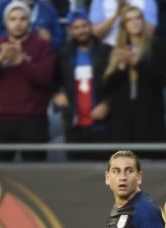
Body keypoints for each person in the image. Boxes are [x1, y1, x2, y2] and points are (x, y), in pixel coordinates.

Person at [0, 1, 54, 162]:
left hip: (33, 119)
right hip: (0, 119)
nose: (17, 23)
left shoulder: (42, 46)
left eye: (22, 19)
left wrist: (21, 61)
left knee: (36, 173)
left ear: (29, 21)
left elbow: (45, 79)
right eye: (13, 19)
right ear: (5, 21)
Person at [101, 5, 166, 158]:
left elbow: (160, 80)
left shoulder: (156, 45)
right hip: (123, 118)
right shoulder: (115, 50)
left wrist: (137, 63)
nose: (135, 23)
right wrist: (122, 66)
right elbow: (107, 85)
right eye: (129, 20)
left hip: (149, 115)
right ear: (124, 25)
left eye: (138, 18)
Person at [52, 9, 111, 160]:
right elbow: (52, 80)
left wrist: (107, 104)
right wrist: (56, 93)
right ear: (70, 30)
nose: (81, 31)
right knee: (75, 174)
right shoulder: (63, 54)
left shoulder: (107, 52)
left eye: (84, 26)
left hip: (103, 126)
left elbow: (117, 85)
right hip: (74, 126)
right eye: (76, 27)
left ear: (90, 26)